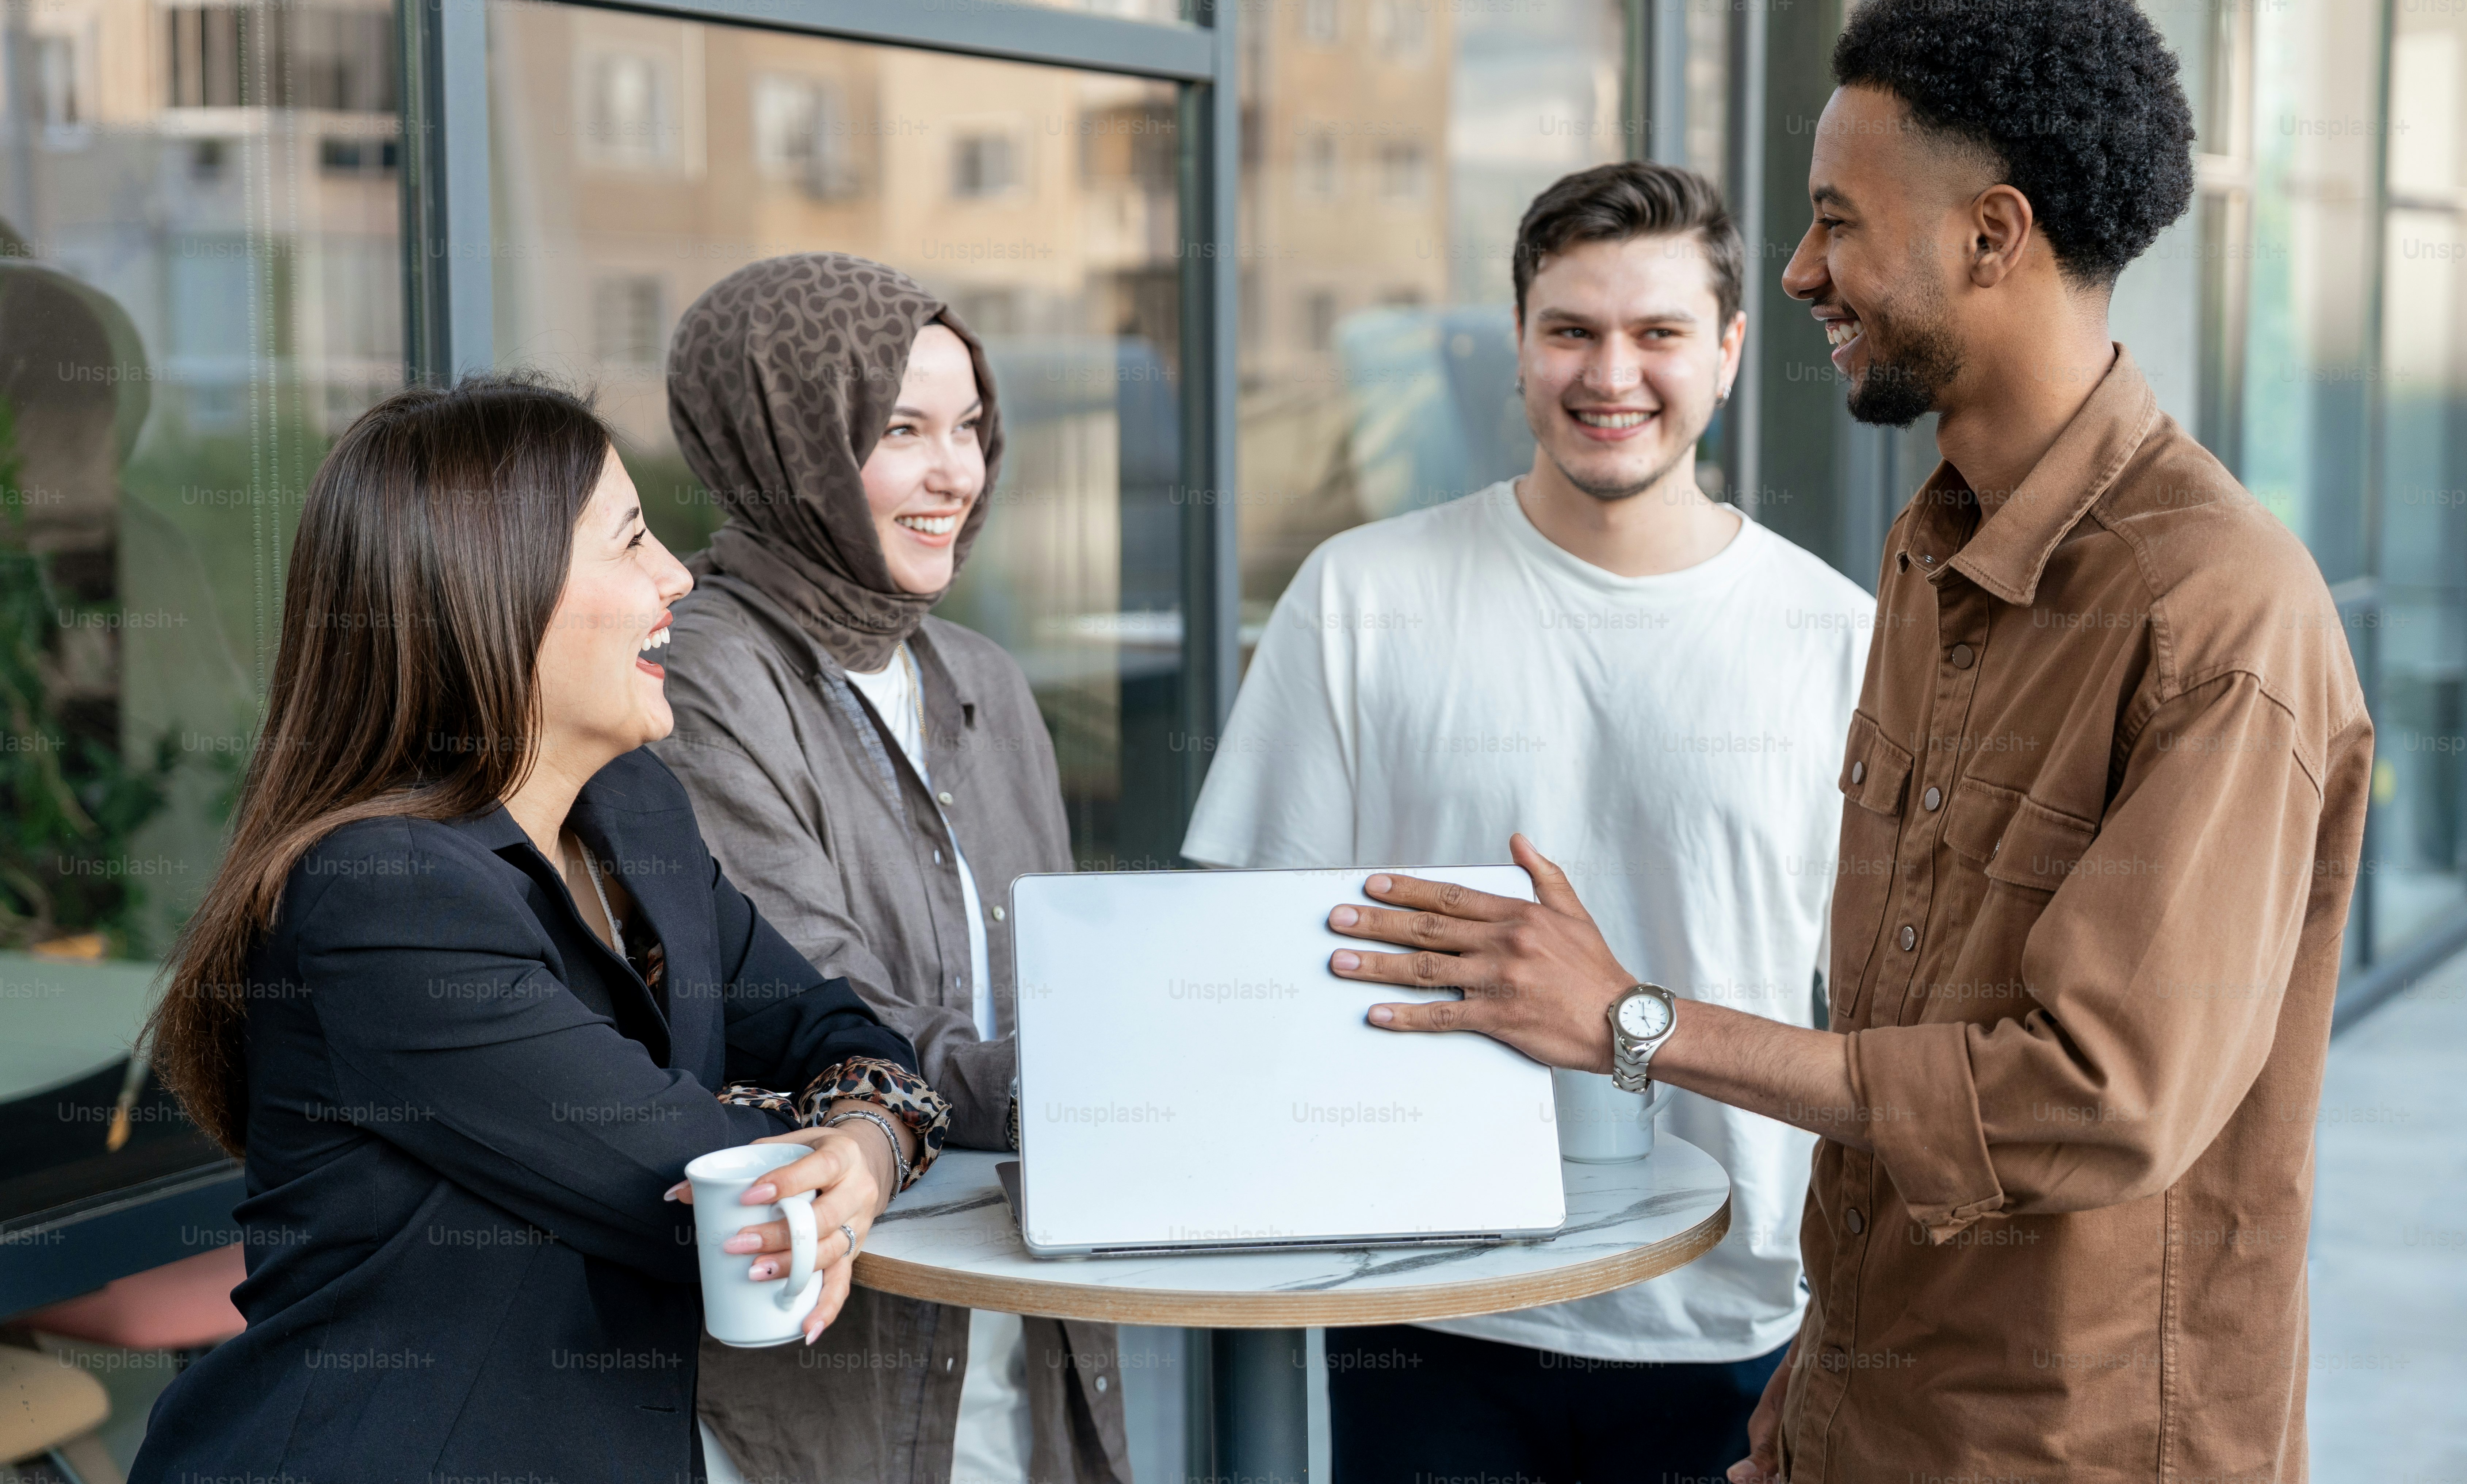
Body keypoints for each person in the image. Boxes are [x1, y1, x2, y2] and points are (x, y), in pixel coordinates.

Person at [1319, 0, 2370, 1484]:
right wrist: (1819, 1379)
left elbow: (2096, 1098)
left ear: (1993, 234)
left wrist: (1638, 1022)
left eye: (1839, 220)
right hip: (1866, 1423)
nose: (1803, 271)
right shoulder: (1932, 556)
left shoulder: (2217, 613)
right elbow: (1902, 1037)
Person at [1181, 161, 1874, 1483]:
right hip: (1424, 1299)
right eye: (1571, 330)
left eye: (1658, 332)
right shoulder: (1361, 595)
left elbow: (1876, 1017)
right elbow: (1246, 950)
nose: (1611, 372)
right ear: (1517, 349)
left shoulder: (1838, 640)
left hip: (1730, 1314)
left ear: (1728, 352)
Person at [129, 378, 948, 1484]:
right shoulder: (384, 897)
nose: (678, 574)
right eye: (629, 541)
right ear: (494, 590)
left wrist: (863, 1143)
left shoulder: (636, 813)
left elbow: (843, 1031)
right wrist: (841, 1128)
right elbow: (691, 1186)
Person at [653, 253, 1128, 1484]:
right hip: (836, 1319)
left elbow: (1053, 988)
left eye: (969, 428)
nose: (954, 474)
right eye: (901, 429)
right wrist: (1108, 1087)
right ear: (784, 442)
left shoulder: (979, 676)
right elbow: (821, 1011)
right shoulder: (705, 672)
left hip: (1021, 1298)